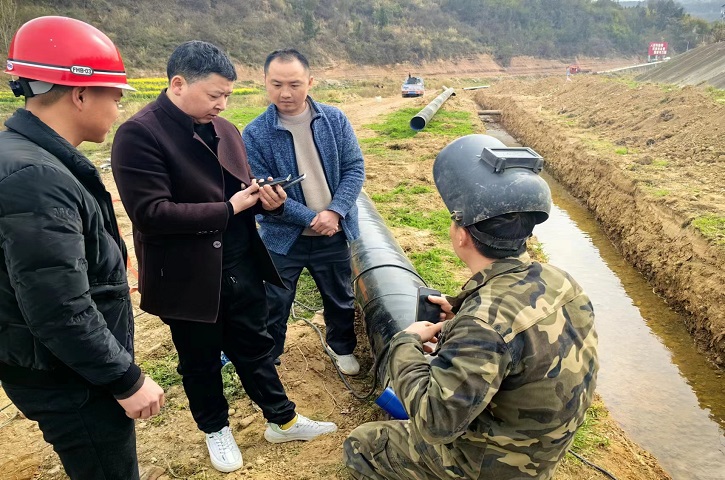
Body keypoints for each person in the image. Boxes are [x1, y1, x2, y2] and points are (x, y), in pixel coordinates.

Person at [111, 40, 337, 474]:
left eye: (228, 95)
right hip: (186, 275)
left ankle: (283, 420)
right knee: (199, 360)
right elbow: (151, 214)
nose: (223, 104)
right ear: (179, 84)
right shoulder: (140, 134)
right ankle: (215, 429)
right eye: (215, 95)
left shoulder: (226, 129)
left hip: (239, 263)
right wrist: (228, 209)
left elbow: (242, 189)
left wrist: (266, 200)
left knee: (255, 346)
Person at [343, 134, 599, 479]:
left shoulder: (482, 324)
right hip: (541, 449)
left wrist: (405, 343)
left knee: (362, 444)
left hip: (493, 467)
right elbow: (517, 337)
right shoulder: (562, 281)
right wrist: (460, 317)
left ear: (461, 234)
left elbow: (434, 423)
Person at [0, 16, 165, 480]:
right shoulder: (37, 177)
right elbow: (58, 306)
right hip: (71, 377)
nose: (117, 110)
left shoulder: (22, 155)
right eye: (115, 97)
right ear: (79, 94)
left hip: (51, 362)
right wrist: (124, 379)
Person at [242, 49, 365, 375]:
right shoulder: (255, 133)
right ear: (265, 82)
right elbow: (267, 193)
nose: (285, 93)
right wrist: (311, 218)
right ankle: (269, 358)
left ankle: (341, 347)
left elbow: (354, 169)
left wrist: (335, 212)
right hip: (283, 238)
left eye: (294, 84)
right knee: (274, 300)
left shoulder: (334, 120)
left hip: (333, 232)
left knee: (339, 297)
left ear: (310, 82)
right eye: (276, 84)